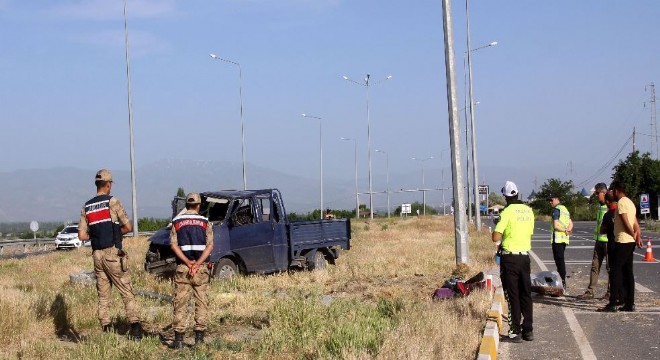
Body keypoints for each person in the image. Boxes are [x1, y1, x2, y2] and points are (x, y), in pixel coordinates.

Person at [78, 169, 142, 340]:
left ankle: (106, 329)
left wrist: (96, 235)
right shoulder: (112, 202)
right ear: (108, 184)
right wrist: (115, 234)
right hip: (112, 253)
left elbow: (82, 236)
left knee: (103, 295)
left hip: (96, 255)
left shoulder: (87, 206)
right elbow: (128, 227)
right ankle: (135, 329)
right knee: (126, 291)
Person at [169, 193, 214, 349]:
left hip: (183, 267)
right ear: (199, 206)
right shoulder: (205, 222)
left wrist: (188, 262)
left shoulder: (176, 222)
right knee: (201, 303)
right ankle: (199, 340)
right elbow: (210, 246)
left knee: (180, 303)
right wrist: (197, 264)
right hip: (200, 269)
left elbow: (173, 245)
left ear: (186, 205)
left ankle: (179, 340)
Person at [492, 181, 535, 343]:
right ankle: (528, 330)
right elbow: (529, 232)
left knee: (512, 295)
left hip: (510, 258)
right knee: (526, 294)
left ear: (506, 196)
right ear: (517, 194)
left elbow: (496, 236)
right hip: (525, 257)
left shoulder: (507, 212)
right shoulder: (529, 211)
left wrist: (499, 234)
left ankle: (515, 331)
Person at [599, 181, 643, 312]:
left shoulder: (622, 203)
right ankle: (630, 303)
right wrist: (637, 236)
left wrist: (633, 235)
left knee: (615, 271)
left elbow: (625, 222)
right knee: (628, 272)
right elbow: (635, 222)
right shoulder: (630, 202)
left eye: (613, 190)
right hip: (630, 241)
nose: (612, 193)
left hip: (623, 240)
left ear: (617, 191)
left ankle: (612, 303)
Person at [577, 183, 610, 300]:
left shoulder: (609, 206)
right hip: (599, 241)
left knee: (609, 268)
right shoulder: (601, 206)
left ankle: (610, 293)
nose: (596, 195)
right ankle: (590, 291)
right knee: (594, 266)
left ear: (604, 193)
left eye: (597, 193)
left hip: (608, 241)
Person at [548, 194, 573, 294]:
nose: (550, 202)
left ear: (557, 199)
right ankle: (562, 282)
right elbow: (571, 223)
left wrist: (564, 230)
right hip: (564, 240)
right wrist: (568, 230)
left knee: (559, 262)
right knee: (561, 260)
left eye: (551, 200)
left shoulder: (556, 210)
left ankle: (562, 283)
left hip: (557, 239)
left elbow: (555, 226)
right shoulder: (565, 209)